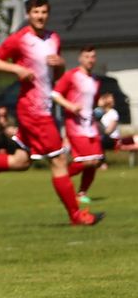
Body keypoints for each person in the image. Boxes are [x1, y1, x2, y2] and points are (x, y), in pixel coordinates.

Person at [0, 0, 97, 226]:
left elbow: (53, 77)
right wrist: (15, 70)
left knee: (20, 161)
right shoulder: (20, 39)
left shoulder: (54, 39)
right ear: (28, 14)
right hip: (33, 110)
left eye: (44, 12)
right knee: (59, 161)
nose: (40, 16)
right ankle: (76, 216)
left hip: (44, 108)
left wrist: (61, 66)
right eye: (36, 12)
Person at [56, 46, 104, 204]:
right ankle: (61, 177)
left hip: (91, 126)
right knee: (85, 161)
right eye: (87, 56)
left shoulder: (96, 80)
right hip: (75, 125)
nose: (90, 60)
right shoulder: (71, 76)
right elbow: (55, 94)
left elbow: (94, 103)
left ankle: (81, 193)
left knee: (95, 161)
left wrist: (101, 106)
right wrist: (70, 106)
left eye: (93, 57)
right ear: (80, 58)